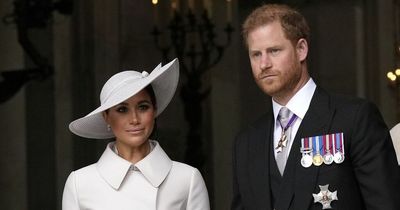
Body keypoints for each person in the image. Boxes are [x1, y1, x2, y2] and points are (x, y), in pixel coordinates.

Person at [232, 4, 400, 210]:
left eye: (274, 51)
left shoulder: (354, 119)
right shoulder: (247, 143)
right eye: (256, 54)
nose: (264, 63)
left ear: (301, 49)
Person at [62, 58, 210, 210]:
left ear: (155, 110)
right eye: (122, 110)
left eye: (143, 107)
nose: (134, 119)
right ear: (106, 117)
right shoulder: (79, 184)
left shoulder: (187, 179)